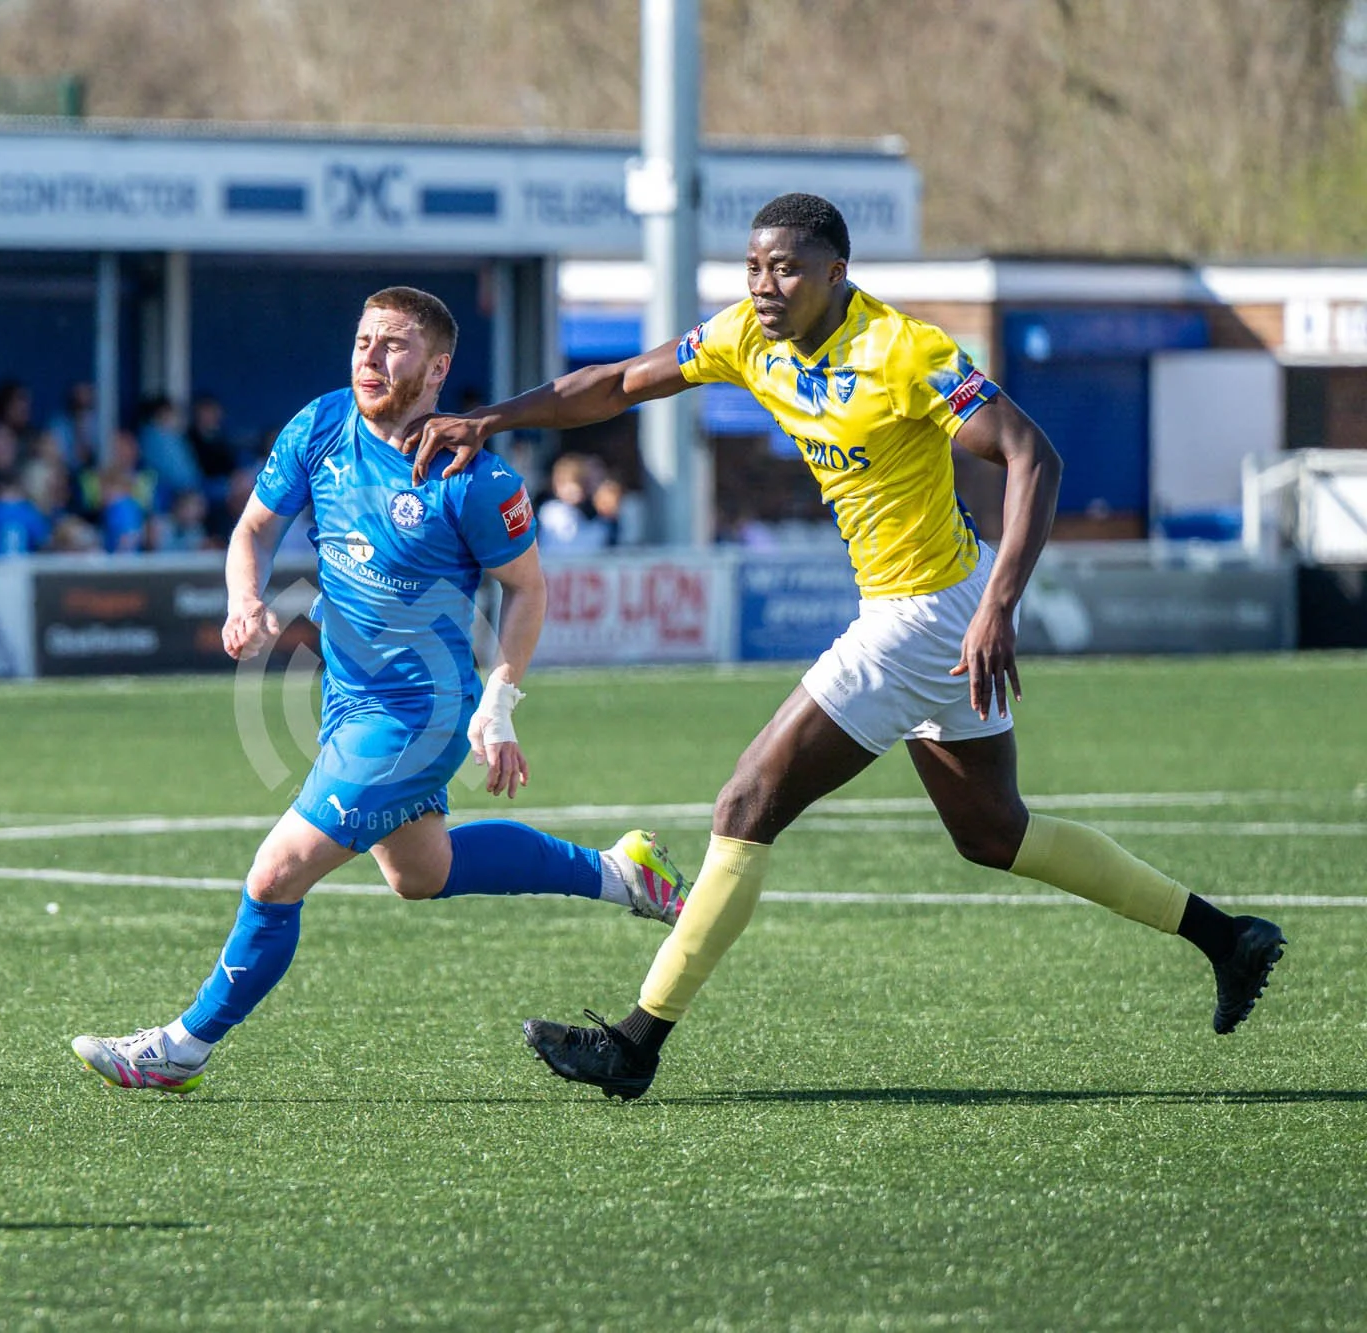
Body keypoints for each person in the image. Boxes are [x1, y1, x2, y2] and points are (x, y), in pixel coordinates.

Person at [408, 194, 1286, 1100]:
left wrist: (1000, 608)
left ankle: (636, 1043)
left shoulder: (907, 351)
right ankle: (1229, 937)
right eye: (753, 267)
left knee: (747, 800)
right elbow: (623, 381)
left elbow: (1034, 456)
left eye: (786, 268)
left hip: (929, 616)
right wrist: (492, 420)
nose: (765, 285)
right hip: (933, 605)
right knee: (994, 832)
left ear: (836, 272)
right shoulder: (747, 335)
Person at [70, 286, 692, 1094]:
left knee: (275, 874)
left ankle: (183, 1045)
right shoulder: (322, 423)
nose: (370, 356)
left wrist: (499, 705)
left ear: (438, 369)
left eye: (393, 344)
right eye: (363, 340)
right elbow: (254, 527)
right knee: (420, 872)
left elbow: (529, 591)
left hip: (419, 714)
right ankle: (622, 873)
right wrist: (245, 598)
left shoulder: (473, 478)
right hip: (346, 698)